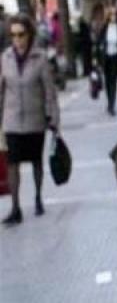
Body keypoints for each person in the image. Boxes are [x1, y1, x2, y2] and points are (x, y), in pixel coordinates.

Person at [0, 14, 60, 226]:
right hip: (12, 120)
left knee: (36, 161)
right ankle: (15, 207)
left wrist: (54, 118)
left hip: (35, 120)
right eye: (13, 35)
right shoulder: (5, 58)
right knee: (12, 163)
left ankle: (38, 197)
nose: (17, 39)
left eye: (21, 34)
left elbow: (50, 92)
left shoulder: (40, 58)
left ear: (29, 34)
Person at [98, 6, 117, 116]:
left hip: (116, 57)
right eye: (111, 14)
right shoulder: (104, 28)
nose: (113, 17)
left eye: (115, 14)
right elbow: (99, 42)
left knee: (113, 81)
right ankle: (109, 101)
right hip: (106, 57)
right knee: (107, 81)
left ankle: (112, 105)